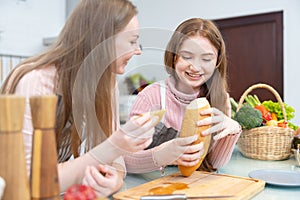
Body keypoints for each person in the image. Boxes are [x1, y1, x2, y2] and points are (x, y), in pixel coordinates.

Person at [0, 0, 158, 197]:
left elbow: (116, 162)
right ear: (103, 39)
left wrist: (114, 180)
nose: (138, 50)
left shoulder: (106, 84)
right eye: (132, 40)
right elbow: (25, 180)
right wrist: (113, 146)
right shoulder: (36, 82)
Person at [125, 18, 242, 173]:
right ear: (174, 56)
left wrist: (232, 130)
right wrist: (162, 155)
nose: (195, 67)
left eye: (206, 59)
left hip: (195, 186)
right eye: (187, 56)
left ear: (217, 62)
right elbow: (126, 160)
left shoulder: (219, 98)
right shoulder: (151, 97)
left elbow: (214, 163)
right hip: (151, 187)